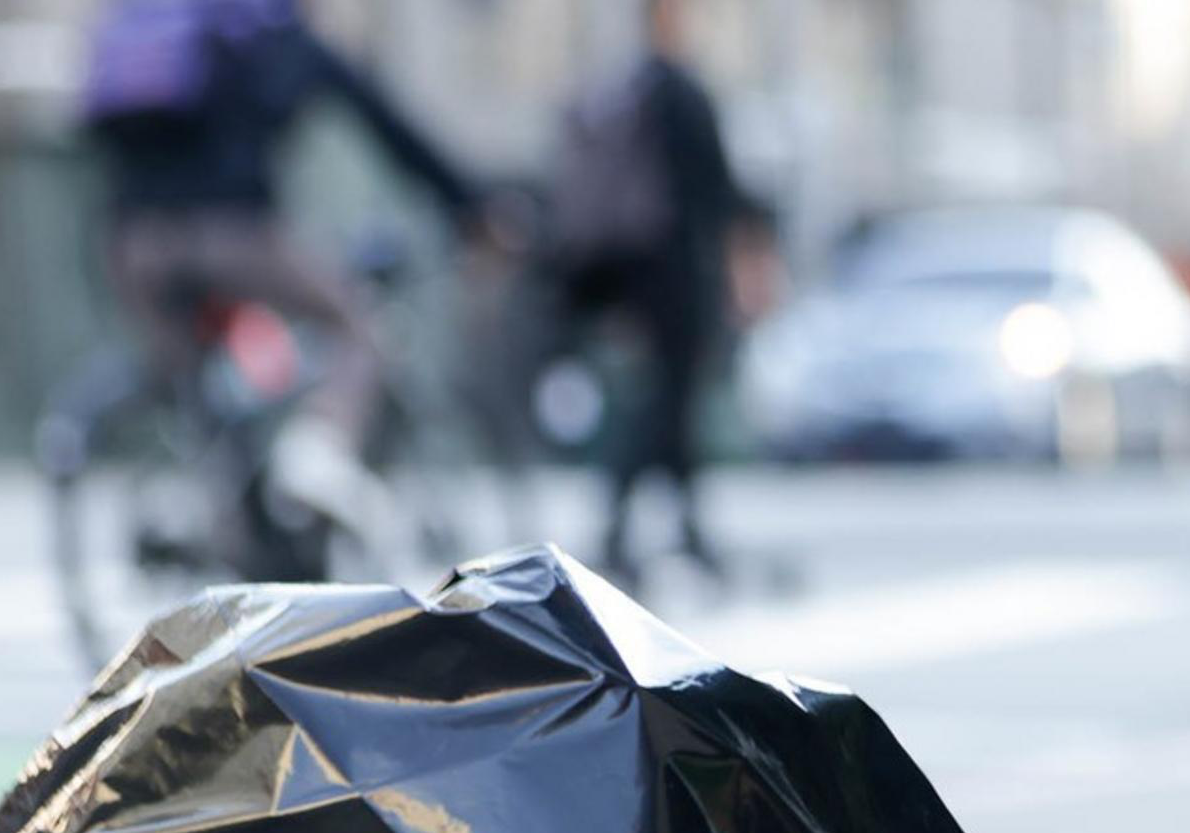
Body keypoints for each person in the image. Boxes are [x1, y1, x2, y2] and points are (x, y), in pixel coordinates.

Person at [79, 0, 487, 541]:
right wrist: (471, 206)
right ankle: (319, 446)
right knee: (358, 329)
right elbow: (391, 128)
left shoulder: (159, 23)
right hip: (234, 234)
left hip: (133, 243)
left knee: (201, 392)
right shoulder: (275, 35)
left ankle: (222, 523)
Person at [546, 0, 781, 587]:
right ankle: (644, 531)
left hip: (640, 278)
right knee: (668, 405)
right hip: (679, 275)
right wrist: (751, 253)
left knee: (664, 403)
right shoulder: (678, 92)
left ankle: (664, 529)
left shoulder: (631, 93)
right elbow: (718, 186)